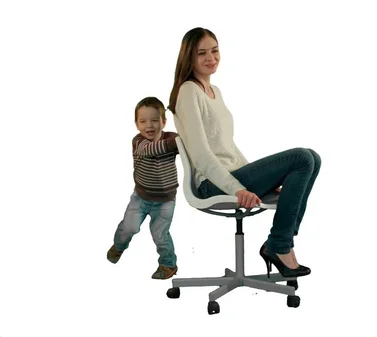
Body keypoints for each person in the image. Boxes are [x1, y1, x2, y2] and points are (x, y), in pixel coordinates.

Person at [167, 27, 321, 278]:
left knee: (313, 157)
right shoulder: (188, 91)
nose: (211, 58)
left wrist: (266, 183)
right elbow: (202, 156)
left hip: (233, 175)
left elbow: (228, 148)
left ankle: (280, 243)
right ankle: (279, 245)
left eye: (215, 50)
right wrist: (236, 188)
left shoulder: (215, 91)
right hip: (212, 184)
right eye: (202, 53)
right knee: (302, 157)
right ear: (189, 58)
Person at [107, 97, 180, 280]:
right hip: (141, 198)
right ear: (136, 125)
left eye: (155, 120)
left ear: (164, 122)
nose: (149, 125)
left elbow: (184, 143)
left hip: (166, 201)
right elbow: (153, 149)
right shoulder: (139, 142)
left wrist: (184, 138)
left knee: (160, 235)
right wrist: (179, 141)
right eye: (143, 121)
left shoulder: (172, 139)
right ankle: (119, 246)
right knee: (128, 227)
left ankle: (168, 264)